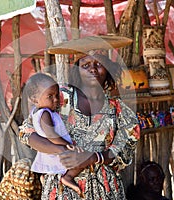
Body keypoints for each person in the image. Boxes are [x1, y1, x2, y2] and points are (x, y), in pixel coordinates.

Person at [19, 49, 140, 199]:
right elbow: (27, 132)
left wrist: (92, 158)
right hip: (62, 190)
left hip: (105, 190)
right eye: (86, 64)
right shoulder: (58, 97)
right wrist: (61, 150)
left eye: (99, 64)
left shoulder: (118, 109)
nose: (93, 69)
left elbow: (124, 150)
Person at [24, 73, 84, 196]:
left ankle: (45, 177)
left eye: (57, 95)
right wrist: (68, 145)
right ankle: (68, 177)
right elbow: (51, 135)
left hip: (52, 151)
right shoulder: (44, 114)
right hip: (57, 149)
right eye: (50, 96)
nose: (56, 100)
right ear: (35, 99)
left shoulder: (39, 112)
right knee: (81, 160)